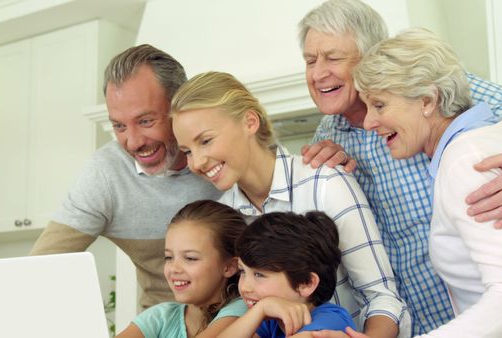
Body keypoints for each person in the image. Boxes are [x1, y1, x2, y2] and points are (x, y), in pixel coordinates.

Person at [298, 0, 502, 334]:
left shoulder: (451, 113)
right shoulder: (327, 137)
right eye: (310, 60)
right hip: (427, 320)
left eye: (333, 57)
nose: (318, 72)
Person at [170, 71, 410, 338]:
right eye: (188, 151)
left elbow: (381, 297)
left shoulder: (324, 181)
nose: (198, 162)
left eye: (206, 140)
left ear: (249, 122)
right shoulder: (226, 217)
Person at [29, 45, 223, 309]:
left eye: (145, 121)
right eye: (119, 125)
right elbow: (38, 268)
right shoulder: (106, 175)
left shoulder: (226, 152)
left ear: (181, 105)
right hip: (163, 326)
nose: (133, 142)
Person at [116, 200, 249, 338]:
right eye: (168, 257)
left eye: (190, 258)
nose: (174, 268)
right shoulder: (160, 317)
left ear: (229, 267)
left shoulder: (242, 310)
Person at [217, 211, 356, 338]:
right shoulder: (271, 321)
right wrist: (260, 309)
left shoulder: (330, 321)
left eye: (259, 275)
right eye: (242, 271)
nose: (245, 287)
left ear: (306, 283)